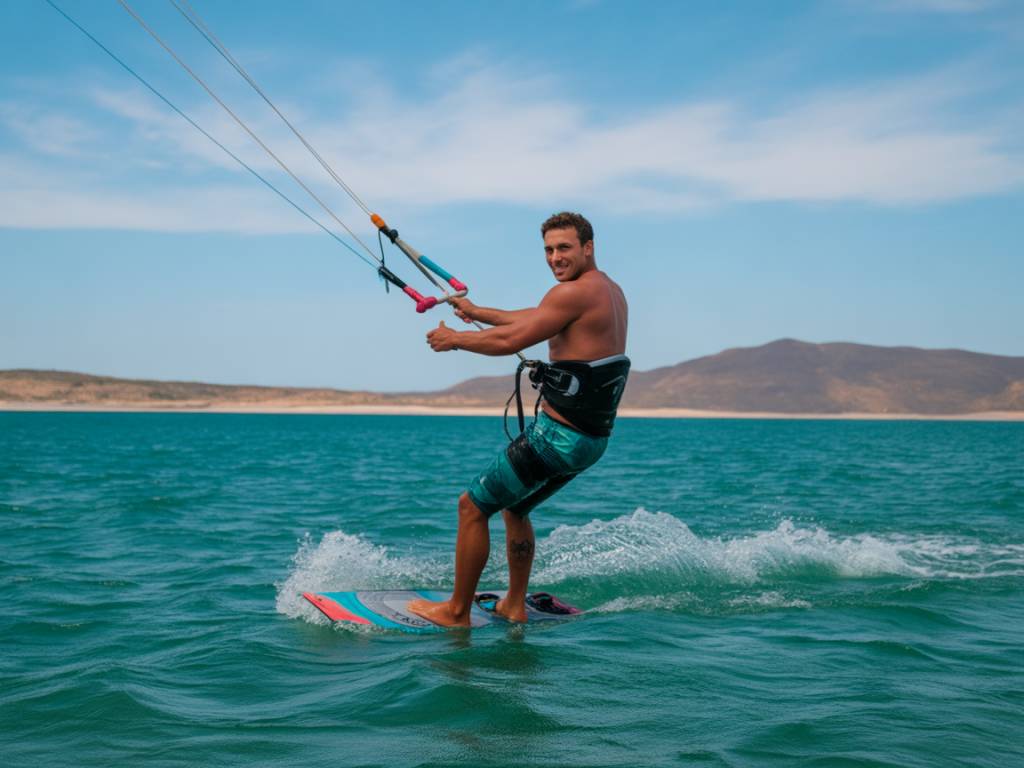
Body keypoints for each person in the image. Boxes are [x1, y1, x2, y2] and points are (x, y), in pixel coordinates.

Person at [407, 211, 629, 627]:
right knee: (515, 510)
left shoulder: (571, 294)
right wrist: (477, 312)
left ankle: (456, 612)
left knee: (472, 507)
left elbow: (514, 339)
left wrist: (455, 340)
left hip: (558, 437)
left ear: (588, 247)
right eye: (548, 249)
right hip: (591, 442)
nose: (554, 257)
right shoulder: (607, 291)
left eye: (564, 248)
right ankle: (513, 603)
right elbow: (532, 317)